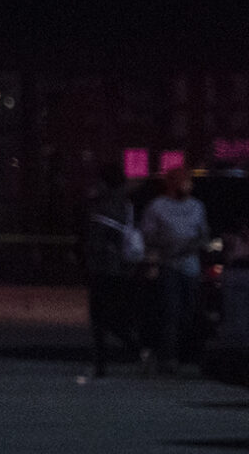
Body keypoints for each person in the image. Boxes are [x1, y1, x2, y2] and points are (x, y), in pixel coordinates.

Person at [139, 164, 208, 375]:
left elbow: (204, 234)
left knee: (188, 312)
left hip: (190, 266)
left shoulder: (196, 206)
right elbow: (147, 235)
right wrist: (167, 245)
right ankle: (168, 358)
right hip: (168, 265)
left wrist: (193, 244)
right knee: (171, 312)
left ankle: (185, 352)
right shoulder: (157, 207)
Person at [81, 162, 140, 379]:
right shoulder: (126, 204)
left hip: (103, 267)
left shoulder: (104, 205)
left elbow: (97, 237)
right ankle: (133, 348)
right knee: (114, 314)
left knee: (99, 317)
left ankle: (106, 361)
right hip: (121, 269)